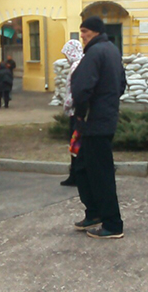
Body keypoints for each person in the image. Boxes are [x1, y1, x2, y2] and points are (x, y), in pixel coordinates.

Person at [70, 16, 126, 239]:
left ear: (95, 31)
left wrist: (81, 113)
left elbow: (82, 88)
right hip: (105, 118)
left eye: (85, 31)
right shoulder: (112, 50)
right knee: (83, 167)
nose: (82, 36)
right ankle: (94, 213)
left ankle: (112, 224)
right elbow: (121, 83)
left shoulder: (95, 53)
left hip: (94, 122)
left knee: (101, 173)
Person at [59, 39, 83, 187]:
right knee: (76, 144)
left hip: (75, 112)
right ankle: (76, 174)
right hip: (77, 111)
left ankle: (75, 175)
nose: (66, 58)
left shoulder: (75, 67)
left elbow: (73, 90)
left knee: (75, 144)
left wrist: (66, 105)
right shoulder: (82, 64)